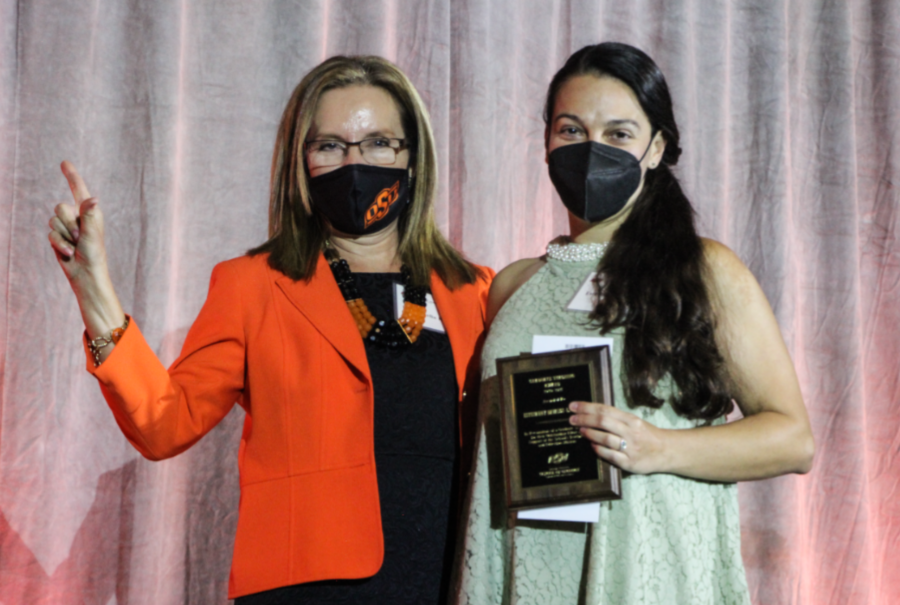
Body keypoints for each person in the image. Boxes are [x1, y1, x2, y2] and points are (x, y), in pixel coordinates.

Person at [47, 55, 493, 604]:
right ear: (300, 164)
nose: (356, 162)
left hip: (454, 582)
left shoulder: (476, 291)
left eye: (380, 143)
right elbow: (163, 425)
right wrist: (94, 289)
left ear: (414, 159)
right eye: (329, 146)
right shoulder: (253, 286)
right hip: (307, 589)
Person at [451, 42, 814, 605]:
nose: (592, 149)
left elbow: (793, 439)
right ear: (546, 139)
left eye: (618, 133)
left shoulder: (704, 270)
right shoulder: (512, 286)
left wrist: (658, 447)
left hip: (649, 572)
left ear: (656, 147)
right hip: (527, 566)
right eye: (571, 130)